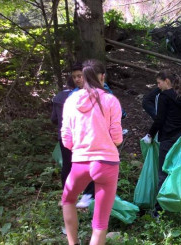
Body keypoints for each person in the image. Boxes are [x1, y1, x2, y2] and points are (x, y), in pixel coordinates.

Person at [61, 59, 123, 245]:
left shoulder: (71, 100)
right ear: (102, 76)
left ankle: (73, 243)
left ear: (82, 78)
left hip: (80, 162)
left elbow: (66, 138)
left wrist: (81, 149)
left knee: (68, 200)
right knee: (100, 222)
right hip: (107, 163)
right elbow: (117, 137)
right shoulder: (111, 100)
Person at [142, 70, 181, 216]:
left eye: (159, 83)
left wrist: (150, 134)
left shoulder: (165, 96)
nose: (158, 86)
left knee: (164, 172)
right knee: (179, 172)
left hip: (168, 139)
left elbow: (160, 119)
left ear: (167, 81)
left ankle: (159, 209)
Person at [52, 62, 95, 209]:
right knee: (74, 165)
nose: (77, 79)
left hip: (81, 137)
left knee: (77, 166)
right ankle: (76, 196)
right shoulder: (72, 96)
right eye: (74, 77)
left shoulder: (96, 93)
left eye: (80, 76)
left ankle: (83, 196)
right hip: (74, 137)